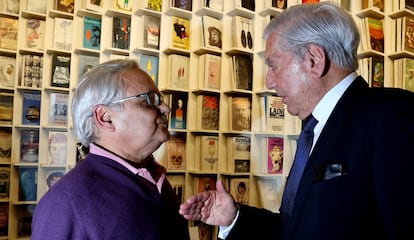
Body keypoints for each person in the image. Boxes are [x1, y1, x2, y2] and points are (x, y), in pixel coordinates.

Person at [179, 2, 414, 239]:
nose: (268, 82)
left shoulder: (392, 115)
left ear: (314, 59)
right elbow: (296, 227)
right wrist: (234, 219)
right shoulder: (314, 128)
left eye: (274, 66)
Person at [31, 59, 190, 239]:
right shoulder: (65, 203)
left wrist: (227, 227)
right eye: (149, 100)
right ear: (105, 117)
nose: (166, 108)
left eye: (159, 99)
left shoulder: (157, 182)